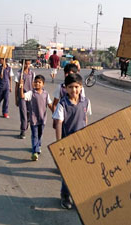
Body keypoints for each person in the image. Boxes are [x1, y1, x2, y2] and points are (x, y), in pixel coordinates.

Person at [52, 73, 91, 209]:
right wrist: (58, 144)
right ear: (66, 88)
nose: (74, 90)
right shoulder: (63, 104)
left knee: (81, 171)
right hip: (67, 143)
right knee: (68, 172)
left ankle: (78, 196)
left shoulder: (85, 101)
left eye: (76, 87)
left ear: (81, 87)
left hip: (82, 143)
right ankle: (65, 195)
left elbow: (85, 118)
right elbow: (58, 123)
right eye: (70, 87)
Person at [20, 75, 52, 161]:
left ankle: (38, 146)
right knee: (34, 135)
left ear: (43, 84)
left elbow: (49, 104)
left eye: (39, 82)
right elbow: (22, 96)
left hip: (43, 118)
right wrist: (21, 86)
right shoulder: (31, 93)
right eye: (35, 82)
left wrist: (54, 113)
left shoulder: (46, 94)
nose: (37, 84)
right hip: (34, 119)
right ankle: (35, 151)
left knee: (40, 134)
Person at [15, 59, 35, 139]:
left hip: (30, 96)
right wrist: (16, 99)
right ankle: (23, 130)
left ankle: (28, 122)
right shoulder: (19, 73)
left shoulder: (32, 73)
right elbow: (16, 87)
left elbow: (33, 85)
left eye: (29, 64)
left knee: (29, 113)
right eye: (26, 64)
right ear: (22, 64)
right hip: (21, 95)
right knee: (23, 113)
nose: (27, 66)